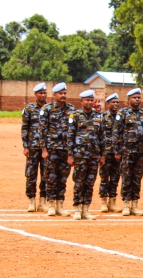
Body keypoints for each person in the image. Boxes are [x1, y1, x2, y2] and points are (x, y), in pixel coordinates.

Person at [67, 90, 105, 220]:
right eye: (87, 100)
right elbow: (70, 136)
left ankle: (86, 209)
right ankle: (77, 209)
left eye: (91, 100)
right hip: (80, 155)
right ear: (81, 101)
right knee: (79, 181)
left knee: (90, 182)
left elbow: (102, 137)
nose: (89, 102)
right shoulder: (75, 115)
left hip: (94, 155)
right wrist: (70, 155)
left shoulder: (98, 116)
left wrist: (102, 155)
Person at [39, 83, 75, 217]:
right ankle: (51, 205)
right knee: (51, 177)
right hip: (52, 149)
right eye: (61, 93)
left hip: (66, 150)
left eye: (65, 93)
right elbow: (42, 130)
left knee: (63, 178)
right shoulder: (47, 109)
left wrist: (72, 152)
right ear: (55, 95)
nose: (63, 95)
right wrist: (44, 150)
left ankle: (60, 205)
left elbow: (74, 131)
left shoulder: (71, 109)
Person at [113, 88, 143, 216]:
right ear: (128, 99)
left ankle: (135, 204)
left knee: (137, 178)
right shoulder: (122, 113)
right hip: (126, 151)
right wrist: (117, 151)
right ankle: (126, 204)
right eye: (134, 97)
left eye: (139, 97)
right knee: (126, 177)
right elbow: (116, 133)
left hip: (140, 152)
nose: (137, 100)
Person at [21, 82, 48, 212]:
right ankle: (31, 201)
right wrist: (25, 146)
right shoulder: (29, 109)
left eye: (44, 93)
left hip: (46, 148)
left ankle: (43, 201)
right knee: (31, 174)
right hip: (32, 147)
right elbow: (25, 128)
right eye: (40, 93)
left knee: (46, 174)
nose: (43, 95)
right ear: (35, 94)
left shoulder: (49, 109)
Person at [98, 93, 122, 213]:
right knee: (104, 177)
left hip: (118, 153)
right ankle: (103, 202)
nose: (116, 104)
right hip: (106, 152)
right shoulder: (102, 117)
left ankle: (112, 202)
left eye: (117, 102)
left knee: (115, 177)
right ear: (107, 104)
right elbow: (98, 135)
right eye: (113, 102)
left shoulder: (121, 117)